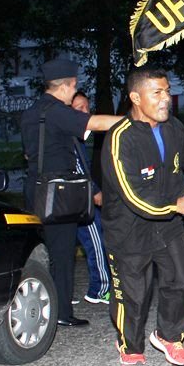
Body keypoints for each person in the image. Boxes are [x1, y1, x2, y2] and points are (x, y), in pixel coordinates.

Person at [100, 66, 184, 366]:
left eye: (167, 91)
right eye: (157, 92)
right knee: (134, 297)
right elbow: (133, 196)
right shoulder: (120, 139)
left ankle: (169, 335)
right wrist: (177, 206)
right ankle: (130, 344)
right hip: (129, 230)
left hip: (168, 226)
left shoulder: (173, 126)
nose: (165, 99)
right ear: (135, 97)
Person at [20, 58, 122, 327]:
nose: (74, 92)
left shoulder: (31, 112)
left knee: (42, 252)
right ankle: (61, 313)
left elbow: (29, 153)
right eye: (74, 87)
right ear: (67, 85)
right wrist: (135, 120)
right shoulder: (57, 110)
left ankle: (42, 306)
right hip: (57, 193)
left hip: (34, 188)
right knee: (62, 254)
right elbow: (95, 122)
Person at [71, 91, 111, 304]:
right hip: (78, 200)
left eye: (86, 107)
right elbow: (78, 169)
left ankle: (62, 295)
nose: (85, 112)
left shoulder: (76, 137)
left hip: (66, 199)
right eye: (79, 108)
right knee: (95, 241)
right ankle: (100, 289)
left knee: (64, 248)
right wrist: (94, 191)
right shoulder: (69, 137)